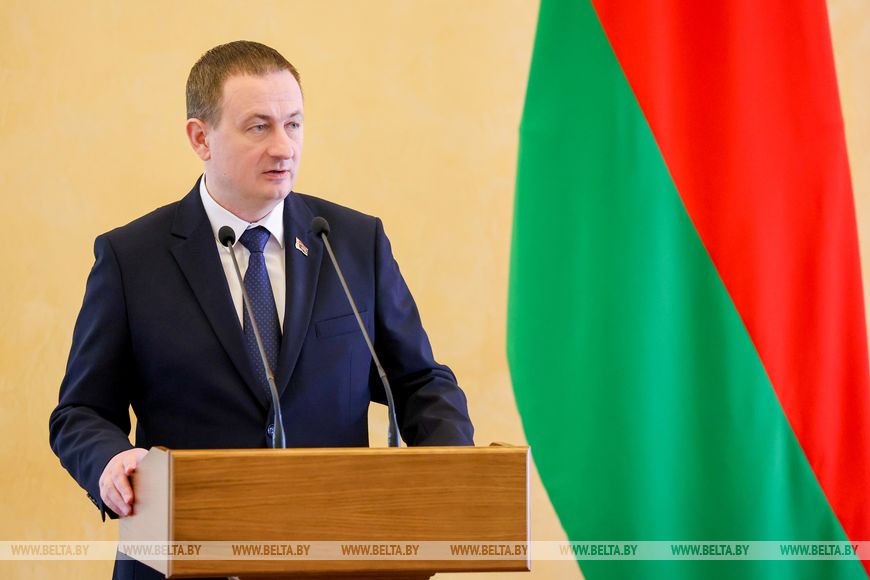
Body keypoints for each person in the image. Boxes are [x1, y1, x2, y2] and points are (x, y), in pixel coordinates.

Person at [49, 40, 474, 579]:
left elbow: (417, 380)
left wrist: (451, 471)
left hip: (334, 558)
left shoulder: (350, 242)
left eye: (294, 124)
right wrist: (111, 461)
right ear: (200, 137)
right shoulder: (131, 258)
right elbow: (80, 412)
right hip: (183, 559)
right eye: (259, 127)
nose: (284, 147)